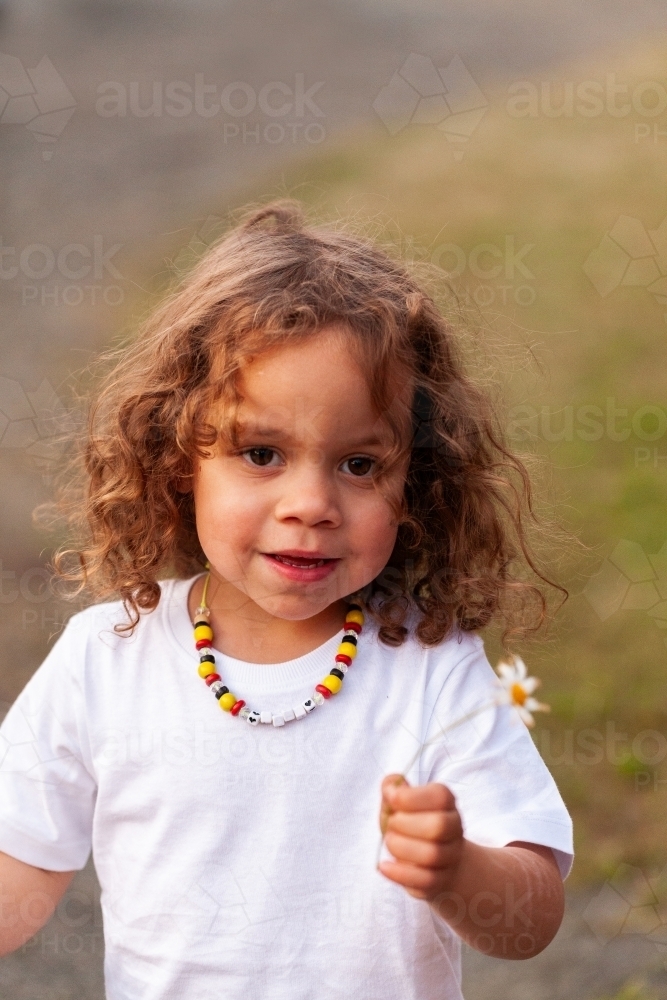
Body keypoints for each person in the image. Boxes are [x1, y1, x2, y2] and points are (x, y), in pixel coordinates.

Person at [0, 201, 572, 1000]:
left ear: (417, 482)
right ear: (178, 459)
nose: (311, 503)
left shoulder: (432, 671)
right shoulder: (109, 657)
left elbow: (531, 916)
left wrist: (458, 870)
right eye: (261, 453)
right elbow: (15, 879)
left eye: (359, 464)